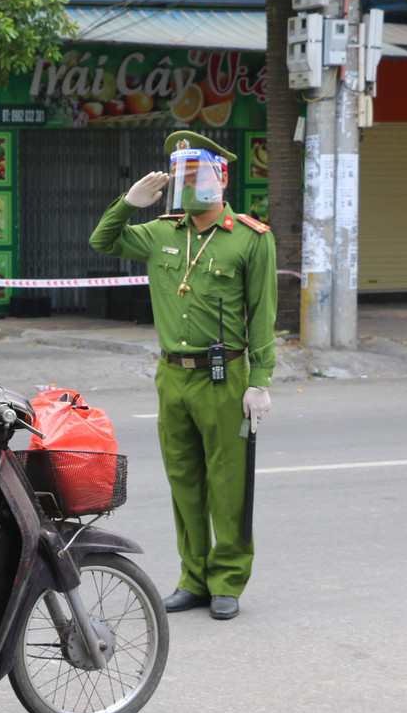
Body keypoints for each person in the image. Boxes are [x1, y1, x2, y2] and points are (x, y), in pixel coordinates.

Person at [89, 130, 277, 621]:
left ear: (219, 179)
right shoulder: (163, 233)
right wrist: (128, 203)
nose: (186, 186)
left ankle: (228, 579)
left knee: (228, 484)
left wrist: (261, 381)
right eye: (181, 177)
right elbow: (102, 240)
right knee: (185, 483)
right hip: (173, 376)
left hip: (226, 376)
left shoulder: (251, 239)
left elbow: (261, 315)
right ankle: (193, 578)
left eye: (195, 176)